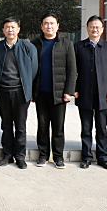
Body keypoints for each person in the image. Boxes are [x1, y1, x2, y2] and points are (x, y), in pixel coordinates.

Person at [31, 13, 77, 169]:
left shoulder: (66, 44)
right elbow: (31, 69)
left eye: (52, 23)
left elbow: (72, 70)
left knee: (58, 127)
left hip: (59, 93)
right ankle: (43, 155)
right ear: (41, 26)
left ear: (57, 26)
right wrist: (32, 91)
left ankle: (58, 157)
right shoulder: (35, 44)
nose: (49, 26)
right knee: (42, 126)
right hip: (40, 92)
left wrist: (69, 91)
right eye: (46, 23)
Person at [0, 17, 38, 169]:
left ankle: (20, 156)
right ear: (3, 30)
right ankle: (7, 155)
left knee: (20, 126)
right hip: (3, 92)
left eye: (13, 27)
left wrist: (28, 88)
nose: (10, 30)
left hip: (21, 92)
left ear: (18, 29)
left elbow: (33, 69)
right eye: (7, 27)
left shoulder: (28, 47)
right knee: (6, 125)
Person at [74, 15, 107, 170]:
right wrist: (75, 89)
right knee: (86, 128)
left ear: (102, 30)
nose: (94, 29)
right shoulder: (78, 46)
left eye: (97, 27)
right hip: (84, 94)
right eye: (91, 27)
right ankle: (86, 157)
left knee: (102, 128)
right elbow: (73, 70)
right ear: (87, 29)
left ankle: (103, 158)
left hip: (103, 95)